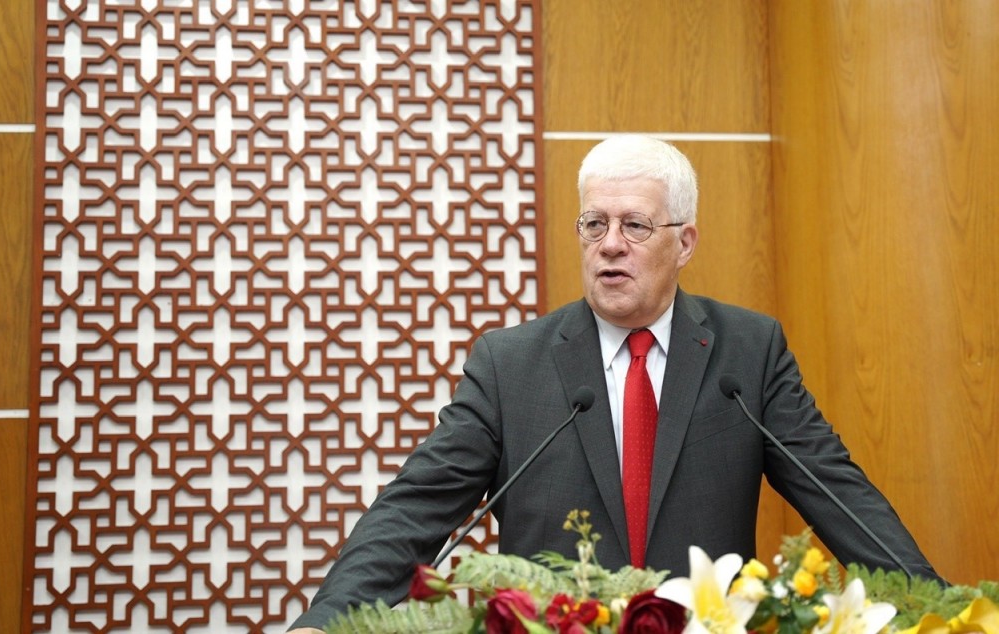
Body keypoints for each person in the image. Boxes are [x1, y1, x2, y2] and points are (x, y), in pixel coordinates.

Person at [288, 134, 939, 632]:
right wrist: (327, 623)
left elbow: (837, 492)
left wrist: (939, 611)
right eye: (594, 224)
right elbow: (412, 509)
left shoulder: (749, 351)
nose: (610, 244)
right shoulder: (509, 364)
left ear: (684, 243)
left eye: (634, 225)